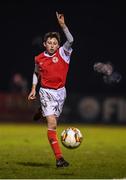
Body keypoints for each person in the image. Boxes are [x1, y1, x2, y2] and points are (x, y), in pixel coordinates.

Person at [28, 12, 74, 167]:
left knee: (53, 119)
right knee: (52, 124)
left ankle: (42, 111)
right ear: (44, 44)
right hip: (46, 92)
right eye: (49, 42)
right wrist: (34, 88)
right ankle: (59, 159)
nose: (52, 45)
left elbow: (71, 40)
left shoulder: (63, 53)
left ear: (58, 45)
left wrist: (63, 26)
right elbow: (36, 72)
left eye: (55, 42)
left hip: (61, 92)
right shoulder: (39, 58)